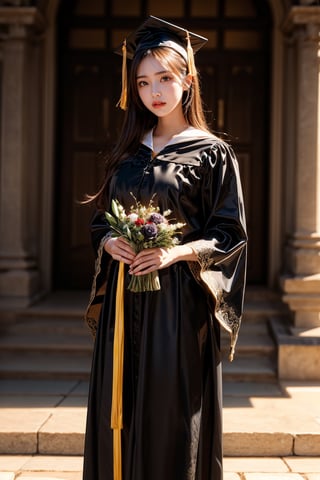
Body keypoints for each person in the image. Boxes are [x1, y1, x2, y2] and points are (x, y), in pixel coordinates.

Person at [83, 16, 247, 480]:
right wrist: (111, 240)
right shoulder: (127, 151)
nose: (153, 91)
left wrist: (174, 252)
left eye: (164, 78)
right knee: (121, 406)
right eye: (142, 82)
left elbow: (228, 234)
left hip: (177, 307)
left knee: (168, 410)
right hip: (122, 301)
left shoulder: (212, 153)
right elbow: (100, 221)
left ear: (188, 81)